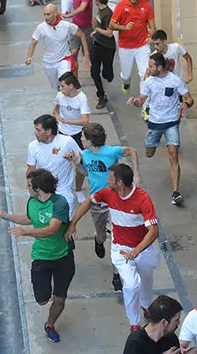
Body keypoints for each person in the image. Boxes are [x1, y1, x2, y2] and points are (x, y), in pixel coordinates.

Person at [67, 163, 160, 332]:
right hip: (121, 250)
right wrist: (74, 223)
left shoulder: (143, 199)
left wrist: (137, 250)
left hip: (144, 249)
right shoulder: (107, 193)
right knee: (131, 285)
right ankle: (134, 323)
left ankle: (146, 305)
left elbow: (153, 231)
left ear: (119, 182)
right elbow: (89, 200)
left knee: (146, 280)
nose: (106, 180)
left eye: (109, 178)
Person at [0, 169, 74, 343]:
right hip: (41, 257)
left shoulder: (59, 203)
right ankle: (46, 294)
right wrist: (5, 215)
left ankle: (50, 325)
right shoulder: (32, 201)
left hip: (63, 257)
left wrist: (26, 233)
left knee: (59, 299)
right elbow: (29, 218)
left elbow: (52, 230)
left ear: (39, 188)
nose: (27, 187)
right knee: (43, 300)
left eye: (29, 185)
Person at [79, 122, 141, 292]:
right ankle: (98, 240)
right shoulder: (84, 154)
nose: (81, 139)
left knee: (117, 238)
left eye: (83, 137)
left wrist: (136, 174)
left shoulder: (111, 151)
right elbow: (86, 172)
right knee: (101, 234)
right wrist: (75, 162)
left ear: (91, 140)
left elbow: (133, 151)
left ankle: (116, 275)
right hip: (97, 203)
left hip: (114, 203)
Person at [127, 53, 194, 205]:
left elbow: (189, 98)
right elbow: (141, 100)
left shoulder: (175, 80)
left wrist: (186, 104)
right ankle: (153, 145)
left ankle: (175, 192)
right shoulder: (148, 82)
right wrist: (135, 101)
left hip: (171, 123)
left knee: (174, 154)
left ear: (159, 67)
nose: (148, 69)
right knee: (149, 153)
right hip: (155, 123)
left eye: (151, 66)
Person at [27, 115, 82, 218]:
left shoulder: (67, 142)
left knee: (65, 228)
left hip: (64, 192)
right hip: (44, 194)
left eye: (38, 130)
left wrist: (74, 158)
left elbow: (82, 160)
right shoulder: (32, 147)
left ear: (48, 131)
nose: (35, 133)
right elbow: (31, 171)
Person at [26, 4, 91, 90]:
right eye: (44, 14)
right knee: (58, 87)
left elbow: (82, 35)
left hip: (63, 60)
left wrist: (86, 54)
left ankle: (71, 100)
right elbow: (33, 43)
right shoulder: (40, 28)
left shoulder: (66, 25)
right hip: (49, 62)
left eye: (48, 14)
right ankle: (62, 99)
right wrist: (30, 57)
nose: (45, 17)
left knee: (65, 84)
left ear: (55, 14)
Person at [110, 0, 155, 94]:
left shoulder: (147, 6)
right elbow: (112, 25)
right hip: (125, 46)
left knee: (144, 74)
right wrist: (124, 28)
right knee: (126, 74)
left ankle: (145, 105)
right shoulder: (121, 5)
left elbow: (152, 25)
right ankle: (126, 82)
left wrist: (151, 36)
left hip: (142, 45)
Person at [52, 72, 90, 202]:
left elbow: (85, 120)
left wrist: (65, 120)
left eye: (62, 86)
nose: (60, 89)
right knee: (60, 161)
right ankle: (61, 188)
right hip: (62, 133)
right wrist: (56, 115)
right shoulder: (60, 96)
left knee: (80, 164)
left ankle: (78, 190)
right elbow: (56, 107)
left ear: (71, 86)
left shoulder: (82, 98)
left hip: (78, 134)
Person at [89, 0, 116, 109]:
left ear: (97, 0)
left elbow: (110, 33)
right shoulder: (100, 10)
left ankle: (109, 73)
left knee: (107, 74)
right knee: (94, 72)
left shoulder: (108, 13)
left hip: (107, 47)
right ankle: (101, 95)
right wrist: (95, 32)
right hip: (97, 44)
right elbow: (99, 26)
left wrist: (96, 28)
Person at [62, 0, 94, 65]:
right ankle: (73, 75)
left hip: (86, 29)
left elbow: (82, 8)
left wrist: (69, 15)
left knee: (88, 55)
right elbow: (77, 9)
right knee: (73, 53)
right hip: (75, 28)